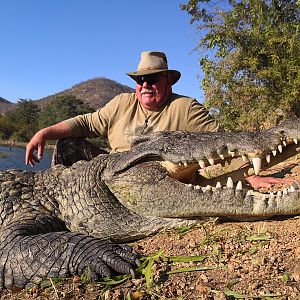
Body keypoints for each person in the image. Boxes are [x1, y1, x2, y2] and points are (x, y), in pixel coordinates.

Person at [26, 51, 289, 189]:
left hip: (160, 182)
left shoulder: (185, 107)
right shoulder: (121, 102)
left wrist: (249, 175)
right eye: (141, 80)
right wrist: (44, 132)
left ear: (168, 83)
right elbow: (86, 123)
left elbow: (227, 144)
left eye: (153, 79)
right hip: (115, 176)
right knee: (65, 145)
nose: (145, 85)